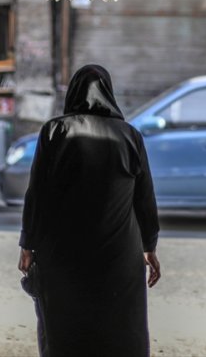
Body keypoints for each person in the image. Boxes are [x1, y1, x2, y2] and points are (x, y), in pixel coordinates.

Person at [18, 64, 161, 357]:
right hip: (119, 251)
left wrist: (27, 243)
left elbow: (38, 194)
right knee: (119, 324)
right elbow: (144, 198)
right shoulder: (129, 136)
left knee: (64, 322)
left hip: (63, 250)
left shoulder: (55, 130)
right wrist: (149, 246)